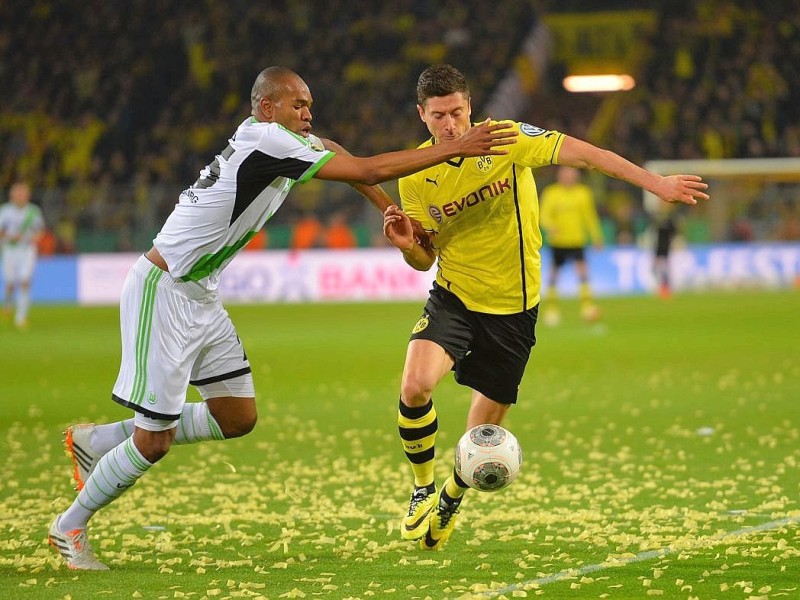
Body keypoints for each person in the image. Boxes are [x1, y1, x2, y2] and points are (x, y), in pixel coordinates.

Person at [47, 65, 517, 570]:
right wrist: (452, 148)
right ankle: (70, 526)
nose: (309, 113)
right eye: (299, 105)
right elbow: (365, 168)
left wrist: (386, 209)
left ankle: (97, 441)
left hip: (200, 294)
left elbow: (337, 152)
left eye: (310, 104)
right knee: (154, 440)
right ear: (268, 107)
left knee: (237, 416)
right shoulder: (269, 141)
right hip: (163, 291)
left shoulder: (283, 139)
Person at [382, 64, 708, 551]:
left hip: (514, 308)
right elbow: (426, 258)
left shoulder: (505, 139)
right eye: (438, 116)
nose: (450, 125)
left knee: (481, 438)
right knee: (414, 385)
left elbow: (586, 154)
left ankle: (450, 497)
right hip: (455, 294)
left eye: (456, 112)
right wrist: (409, 246)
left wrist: (654, 184)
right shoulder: (415, 175)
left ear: (470, 107)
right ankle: (422, 488)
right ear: (422, 116)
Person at [539, 165, 604, 324]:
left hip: (577, 240)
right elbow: (543, 214)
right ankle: (552, 309)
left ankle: (586, 306)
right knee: (554, 274)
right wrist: (550, 226)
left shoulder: (583, 193)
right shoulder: (551, 192)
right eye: (565, 174)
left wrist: (596, 236)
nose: (568, 177)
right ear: (559, 176)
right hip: (558, 241)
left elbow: (590, 216)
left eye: (571, 174)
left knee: (582, 272)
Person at [0, 181, 44, 329]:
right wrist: (11, 236)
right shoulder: (5, 211)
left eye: (23, 193)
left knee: (25, 281)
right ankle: (7, 303)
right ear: (11, 195)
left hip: (27, 250)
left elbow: (40, 231)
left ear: (28, 195)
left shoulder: (33, 211)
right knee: (10, 284)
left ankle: (21, 317)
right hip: (9, 250)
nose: (20, 196)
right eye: (17, 193)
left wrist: (33, 238)